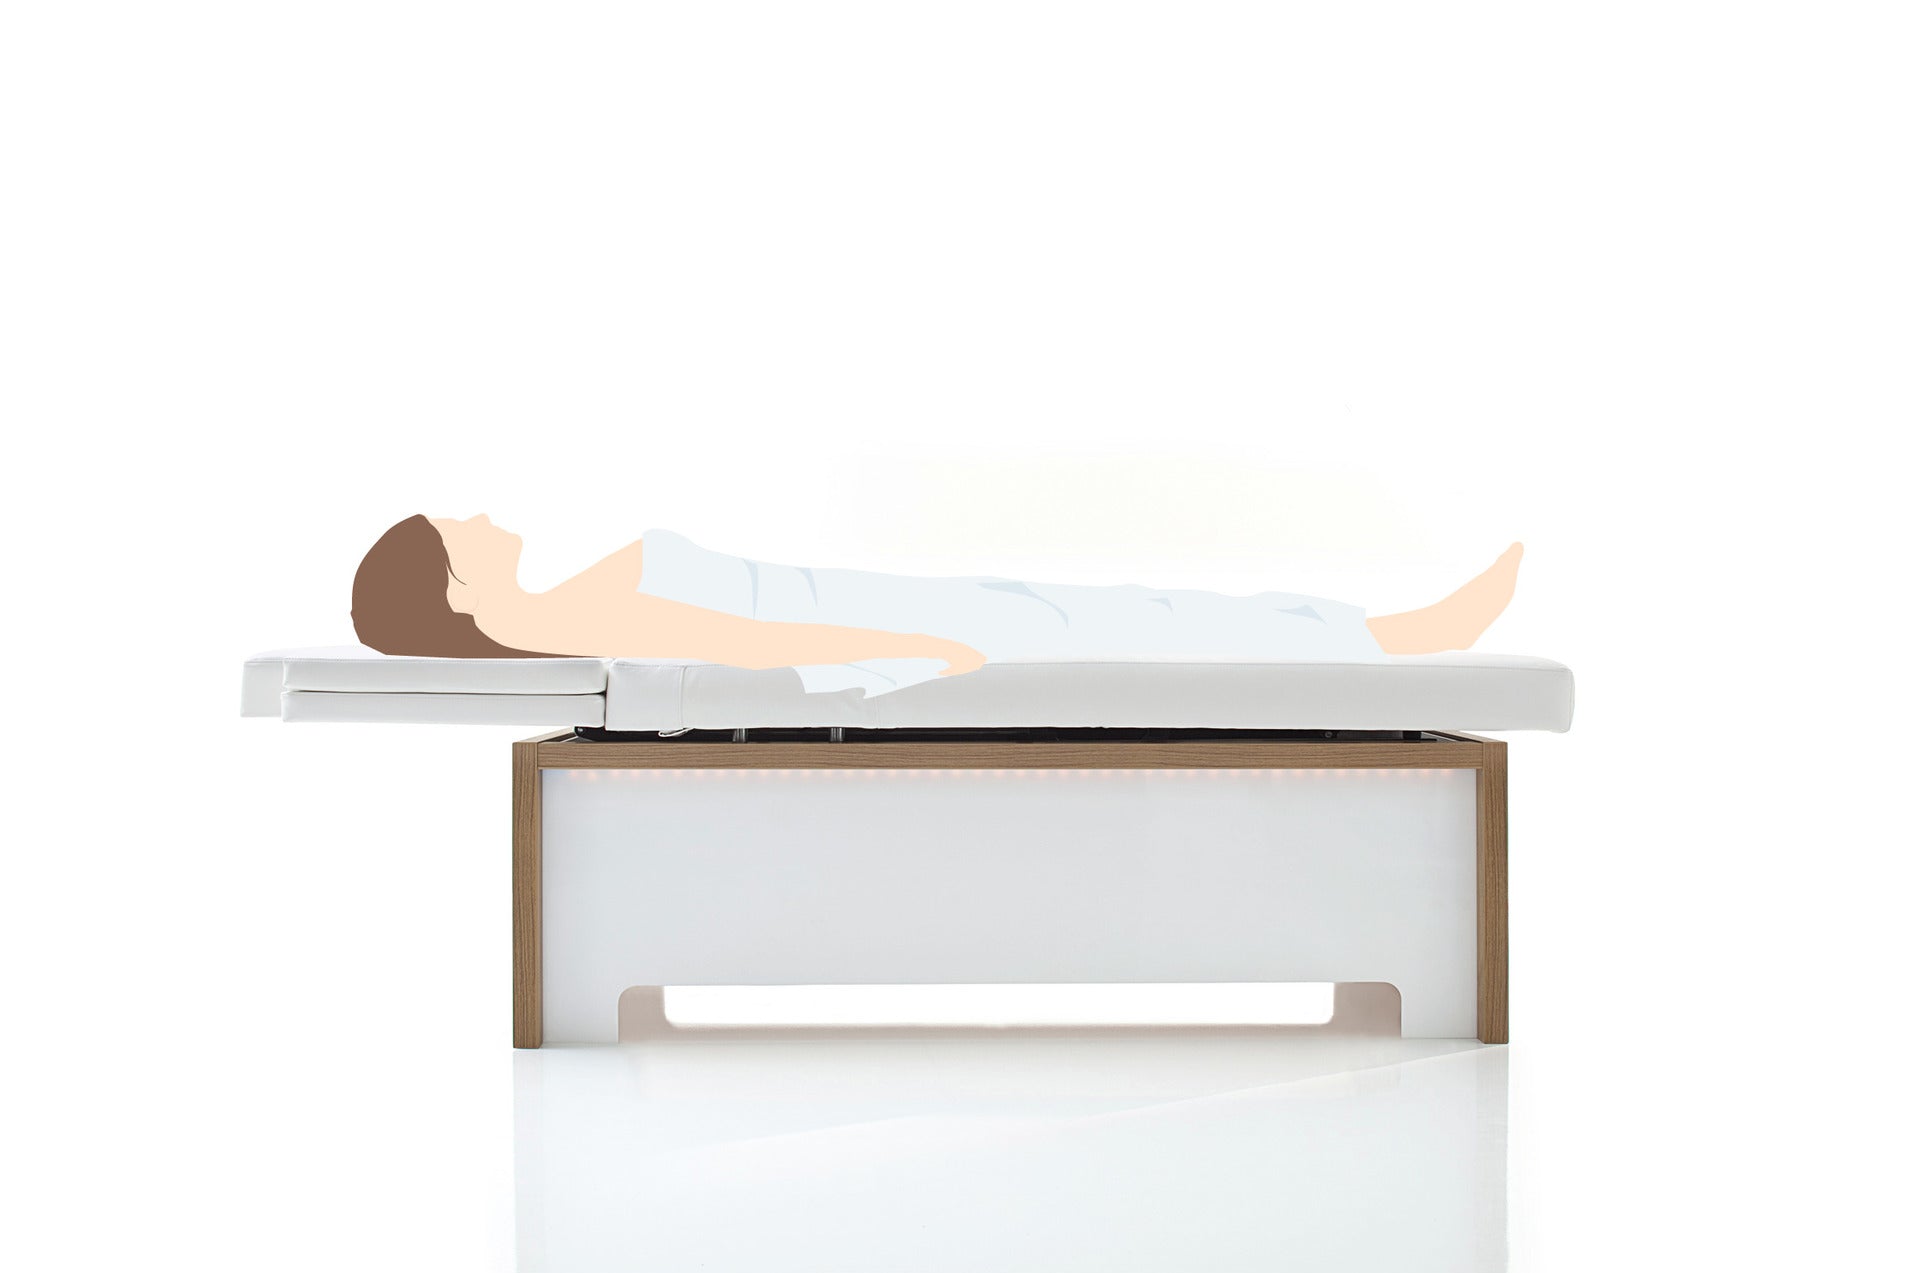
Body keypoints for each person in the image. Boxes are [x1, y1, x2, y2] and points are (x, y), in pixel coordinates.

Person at [350, 513, 1523, 694]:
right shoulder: (555, 620)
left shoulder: (555, 608)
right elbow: (740, 641)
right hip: (891, 627)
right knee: (1135, 621)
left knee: (1133, 606)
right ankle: (1401, 638)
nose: (479, 510)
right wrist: (912, 645)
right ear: (456, 587)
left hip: (880, 606)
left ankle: (1388, 633)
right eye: (458, 527)